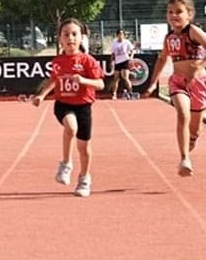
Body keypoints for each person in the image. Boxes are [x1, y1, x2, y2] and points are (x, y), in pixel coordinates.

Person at [145, 0, 206, 177]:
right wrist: (153, 83)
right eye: (170, 12)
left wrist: (200, 66)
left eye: (178, 12)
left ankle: (191, 140)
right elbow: (162, 59)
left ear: (189, 14)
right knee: (182, 114)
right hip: (178, 82)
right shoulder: (169, 37)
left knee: (195, 129)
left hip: (198, 82)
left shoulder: (193, 31)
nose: (173, 15)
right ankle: (184, 159)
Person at [30, 18, 105, 197]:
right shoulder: (58, 61)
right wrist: (42, 95)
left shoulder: (88, 61)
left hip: (84, 106)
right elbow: (54, 79)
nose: (70, 38)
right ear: (60, 39)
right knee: (71, 128)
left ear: (81, 37)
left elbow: (101, 84)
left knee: (84, 147)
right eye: (66, 35)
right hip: (63, 104)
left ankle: (84, 178)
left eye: (74, 34)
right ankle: (66, 163)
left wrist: (83, 80)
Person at [109, 29, 135, 99]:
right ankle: (114, 94)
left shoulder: (126, 42)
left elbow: (132, 50)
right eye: (119, 34)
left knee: (125, 77)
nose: (121, 36)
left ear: (124, 35)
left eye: (122, 34)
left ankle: (130, 92)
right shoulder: (114, 43)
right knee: (116, 78)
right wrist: (111, 61)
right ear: (117, 35)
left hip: (125, 61)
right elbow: (113, 53)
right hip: (117, 62)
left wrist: (131, 57)